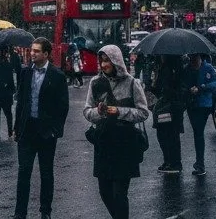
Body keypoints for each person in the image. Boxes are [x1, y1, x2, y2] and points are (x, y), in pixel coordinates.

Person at [84, 46, 149, 219]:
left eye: (107, 60)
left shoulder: (132, 83)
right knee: (104, 192)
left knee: (120, 194)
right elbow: (87, 111)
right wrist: (99, 112)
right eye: (102, 60)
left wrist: (118, 111)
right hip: (104, 143)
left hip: (124, 144)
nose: (103, 64)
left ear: (116, 61)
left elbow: (143, 113)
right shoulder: (96, 83)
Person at [13, 39, 70, 219]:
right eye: (32, 51)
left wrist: (55, 130)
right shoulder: (25, 72)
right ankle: (20, 213)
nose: (32, 54)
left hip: (46, 132)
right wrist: (16, 128)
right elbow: (21, 102)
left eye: (37, 51)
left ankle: (45, 211)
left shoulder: (57, 75)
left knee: (46, 173)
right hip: (27, 130)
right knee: (24, 172)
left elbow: (63, 106)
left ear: (46, 54)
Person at [182, 52, 216, 176]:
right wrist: (189, 90)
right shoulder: (187, 69)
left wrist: (202, 87)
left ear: (199, 57)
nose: (193, 60)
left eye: (195, 58)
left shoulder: (207, 68)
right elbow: (184, 85)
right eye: (191, 58)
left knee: (198, 132)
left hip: (204, 105)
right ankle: (199, 163)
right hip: (191, 105)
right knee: (197, 132)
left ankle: (200, 164)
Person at [149, 56, 186, 175]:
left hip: (170, 108)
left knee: (170, 135)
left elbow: (172, 89)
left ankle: (174, 163)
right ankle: (169, 161)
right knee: (164, 134)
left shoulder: (173, 69)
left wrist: (159, 88)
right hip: (166, 107)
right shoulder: (163, 68)